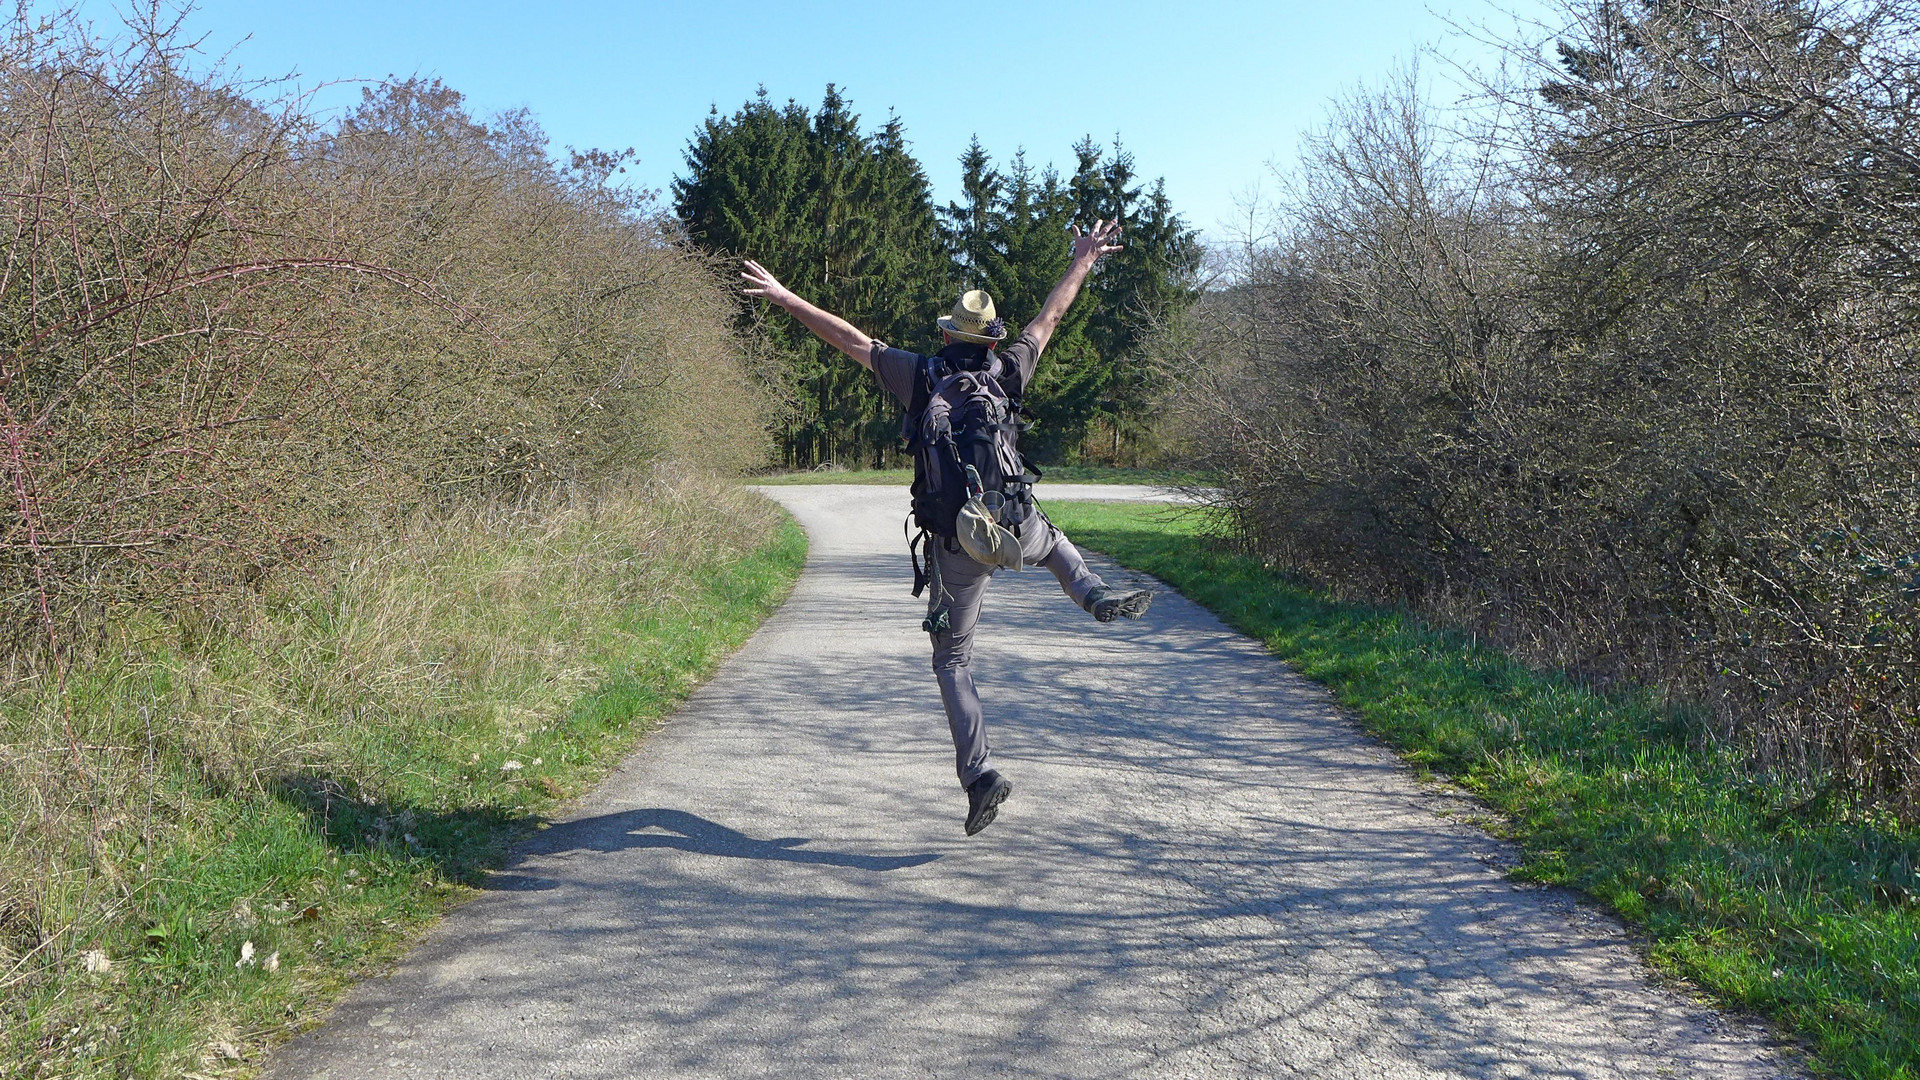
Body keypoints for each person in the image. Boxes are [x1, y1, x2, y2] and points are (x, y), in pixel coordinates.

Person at [741, 220, 1153, 836]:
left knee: (952, 661)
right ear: (991, 342)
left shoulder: (920, 376)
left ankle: (980, 773)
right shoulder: (1009, 371)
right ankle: (1092, 593)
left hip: (959, 542)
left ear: (945, 334)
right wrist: (1083, 260)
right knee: (1052, 541)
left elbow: (850, 341)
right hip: (1015, 518)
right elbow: (1050, 318)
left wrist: (784, 296)